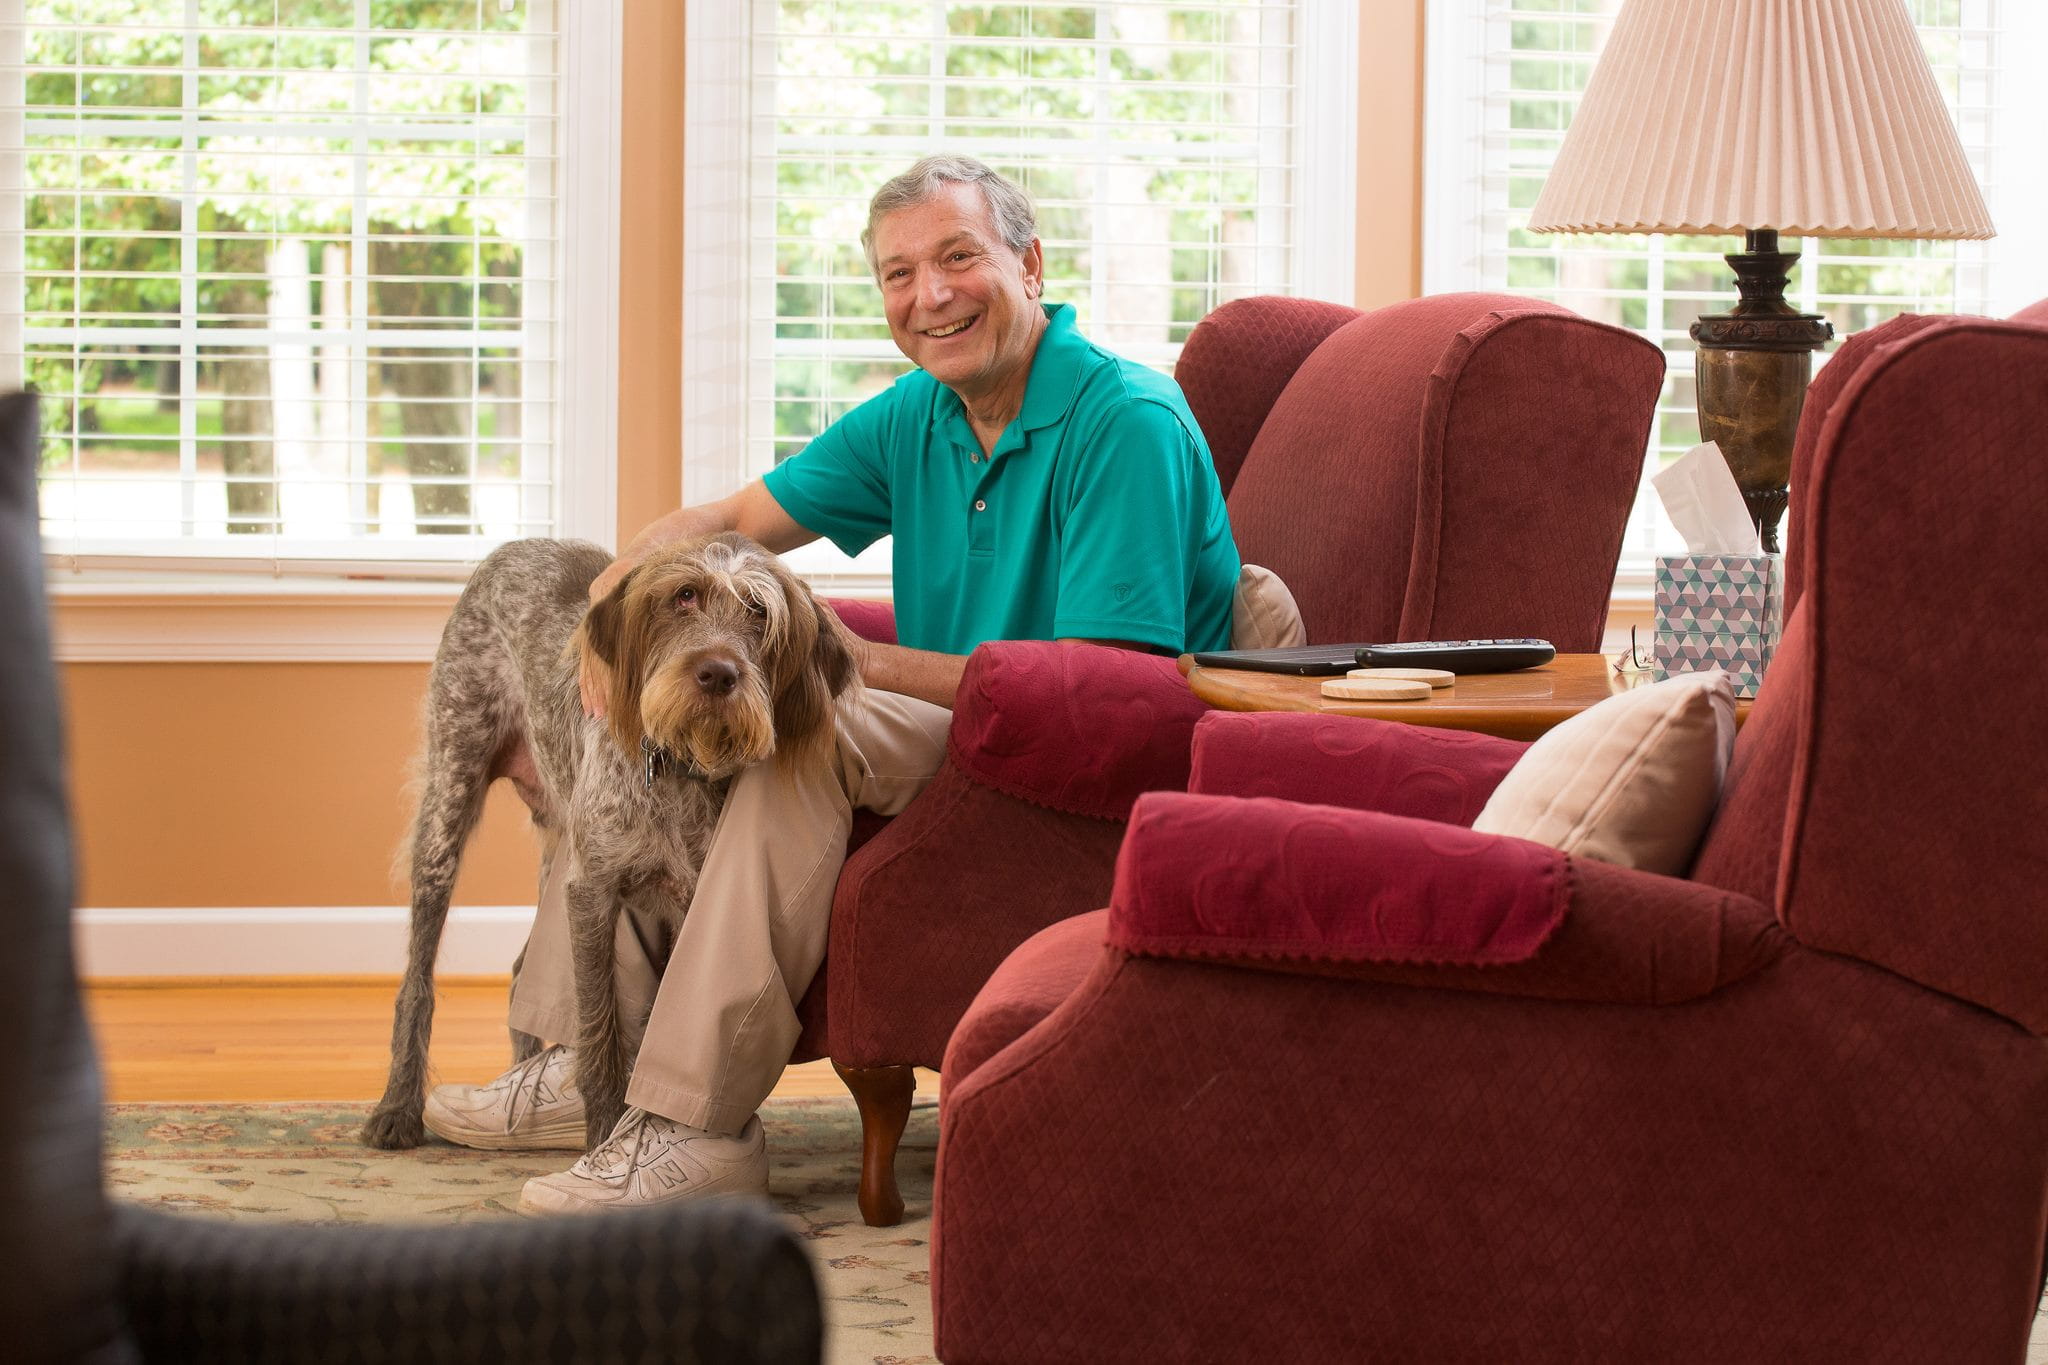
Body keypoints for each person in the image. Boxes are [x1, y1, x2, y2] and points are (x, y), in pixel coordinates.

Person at [421, 154, 1242, 1213]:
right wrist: (608, 617)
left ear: (1028, 264)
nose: (929, 295)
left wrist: (850, 666)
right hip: (964, 727)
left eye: (957, 258)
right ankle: (578, 1057)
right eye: (898, 275)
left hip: (1078, 759)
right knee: (666, 699)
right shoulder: (919, 415)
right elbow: (721, 523)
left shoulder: (1122, 422)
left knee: (802, 722)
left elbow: (1103, 692)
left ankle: (693, 1123)